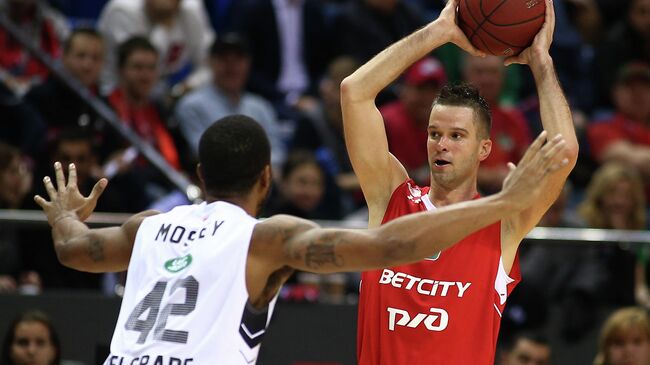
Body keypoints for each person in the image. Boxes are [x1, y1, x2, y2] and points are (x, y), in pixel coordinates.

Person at [33, 114, 567, 364]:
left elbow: (73, 250)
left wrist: (63, 214)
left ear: (199, 172)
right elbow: (390, 248)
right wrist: (500, 204)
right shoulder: (266, 239)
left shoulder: (146, 227)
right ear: (267, 178)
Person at [339, 0, 578, 363]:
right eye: (435, 133)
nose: (442, 144)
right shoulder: (392, 198)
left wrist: (541, 61)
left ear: (484, 148)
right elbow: (354, 92)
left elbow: (565, 154)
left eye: (456, 135)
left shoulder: (502, 221)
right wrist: (439, 32)